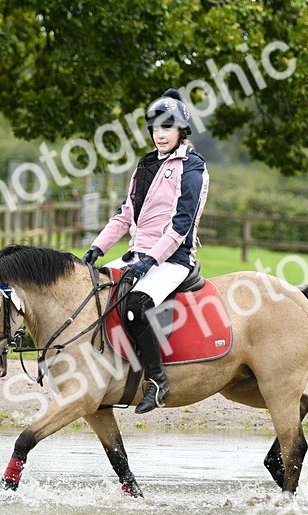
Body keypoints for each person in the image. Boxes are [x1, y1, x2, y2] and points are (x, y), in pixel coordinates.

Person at [83, 88, 210, 414]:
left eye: (167, 128)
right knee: (90, 290)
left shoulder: (193, 167)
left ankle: (157, 380)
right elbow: (125, 214)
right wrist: (97, 248)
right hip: (137, 254)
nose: (160, 135)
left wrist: (151, 260)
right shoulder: (145, 166)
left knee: (135, 306)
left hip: (174, 259)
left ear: (182, 130)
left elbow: (181, 226)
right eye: (155, 128)